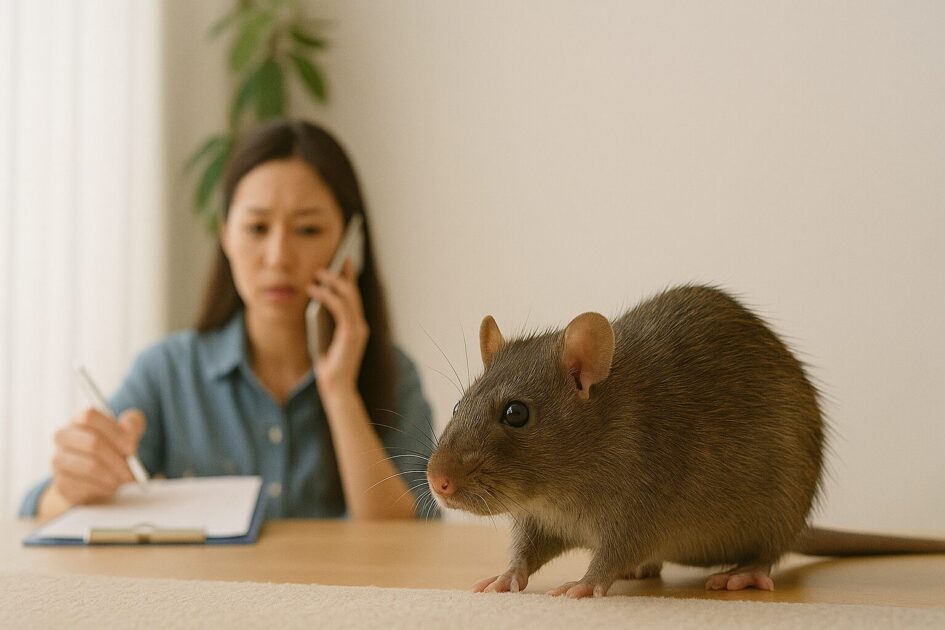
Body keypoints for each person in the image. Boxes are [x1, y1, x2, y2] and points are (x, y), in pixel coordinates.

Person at [21, 119, 437, 521]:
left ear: (349, 243)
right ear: (226, 237)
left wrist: (340, 392)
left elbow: (407, 541)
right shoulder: (168, 371)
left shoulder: (395, 375)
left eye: (307, 230)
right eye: (256, 228)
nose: (278, 257)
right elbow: (35, 507)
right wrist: (74, 483)